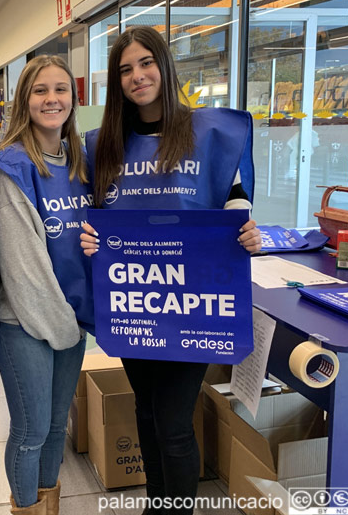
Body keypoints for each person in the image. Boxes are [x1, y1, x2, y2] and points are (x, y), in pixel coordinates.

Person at [80, 26, 261, 515]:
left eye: (146, 63)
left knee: (175, 422)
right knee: (146, 410)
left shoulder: (209, 133)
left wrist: (246, 229)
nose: (137, 76)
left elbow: (234, 200)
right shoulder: (103, 146)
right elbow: (88, 215)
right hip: (134, 302)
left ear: (164, 65)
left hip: (193, 305)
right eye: (124, 69)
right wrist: (89, 237)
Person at [0, 55, 93, 515]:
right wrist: (66, 326)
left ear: (74, 97)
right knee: (31, 432)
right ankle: (26, 508)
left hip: (69, 318)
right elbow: (22, 268)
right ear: (23, 101)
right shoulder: (12, 166)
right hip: (23, 322)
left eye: (61, 90)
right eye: (40, 90)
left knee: (55, 428)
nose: (52, 99)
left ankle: (49, 505)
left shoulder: (82, 161)